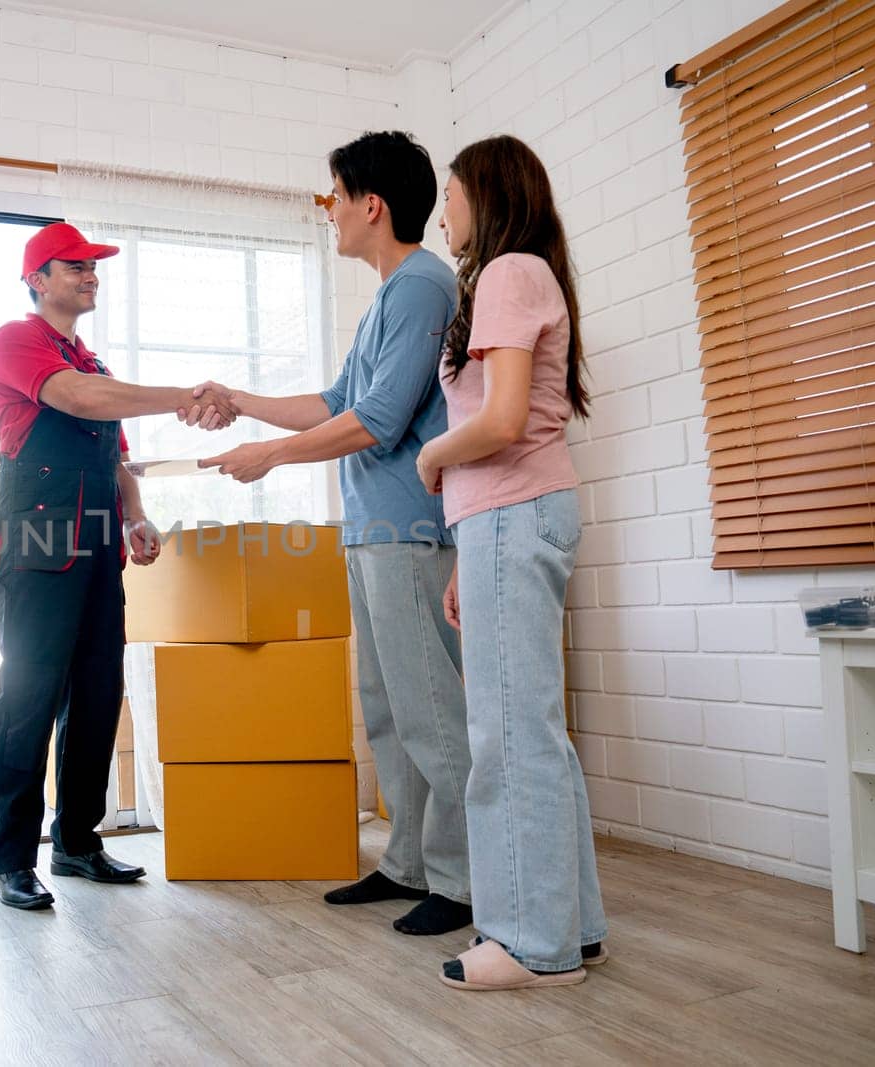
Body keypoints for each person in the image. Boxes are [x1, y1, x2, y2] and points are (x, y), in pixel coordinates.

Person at [192, 132, 473, 937]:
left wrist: (269, 456)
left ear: (371, 204)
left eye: (335, 199)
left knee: (429, 710)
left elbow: (378, 422)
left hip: (411, 532)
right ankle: (412, 861)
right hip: (373, 531)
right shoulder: (388, 296)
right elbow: (332, 401)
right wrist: (242, 401)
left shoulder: (423, 287)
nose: (332, 214)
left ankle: (464, 878)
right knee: (387, 708)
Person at [0, 222, 236, 909]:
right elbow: (81, 402)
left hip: (97, 548)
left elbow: (115, 454)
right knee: (28, 700)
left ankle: (77, 842)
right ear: (39, 279)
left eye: (94, 267)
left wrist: (135, 516)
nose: (91, 275)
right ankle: (10, 858)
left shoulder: (92, 359)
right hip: (37, 548)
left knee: (97, 695)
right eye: (76, 267)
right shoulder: (18, 341)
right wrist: (184, 395)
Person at [416, 135, 607, 990]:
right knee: (535, 729)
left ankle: (531, 941)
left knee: (506, 731)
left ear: (483, 195)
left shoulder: (505, 272)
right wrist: (467, 558)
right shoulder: (524, 273)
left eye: (449, 195)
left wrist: (431, 459)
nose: (442, 212)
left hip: (511, 513)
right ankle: (575, 926)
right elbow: (518, 424)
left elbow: (496, 425)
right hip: (510, 519)